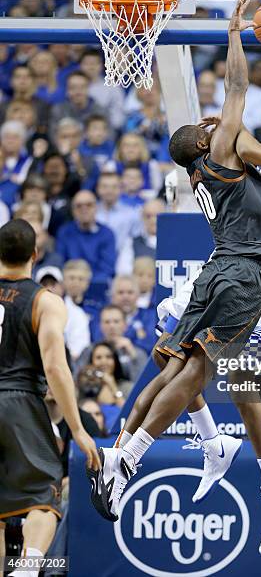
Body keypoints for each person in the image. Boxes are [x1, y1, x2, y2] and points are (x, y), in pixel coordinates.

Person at [92, 0, 261, 555]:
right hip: (233, 262)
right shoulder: (251, 150)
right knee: (176, 359)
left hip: (254, 267)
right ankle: (199, 446)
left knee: (230, 379)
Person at [0, 219, 99, 577]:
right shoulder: (45, 301)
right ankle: (28, 566)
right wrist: (78, 429)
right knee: (44, 494)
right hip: (20, 401)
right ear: (34, 255)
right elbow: (56, 367)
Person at [56, 190, 116, 288]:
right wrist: (75, 281)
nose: (84, 209)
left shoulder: (107, 234)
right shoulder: (64, 232)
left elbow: (107, 269)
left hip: (97, 286)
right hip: (70, 286)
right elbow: (60, 263)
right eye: (79, 206)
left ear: (96, 207)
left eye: (89, 205)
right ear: (73, 210)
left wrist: (83, 283)